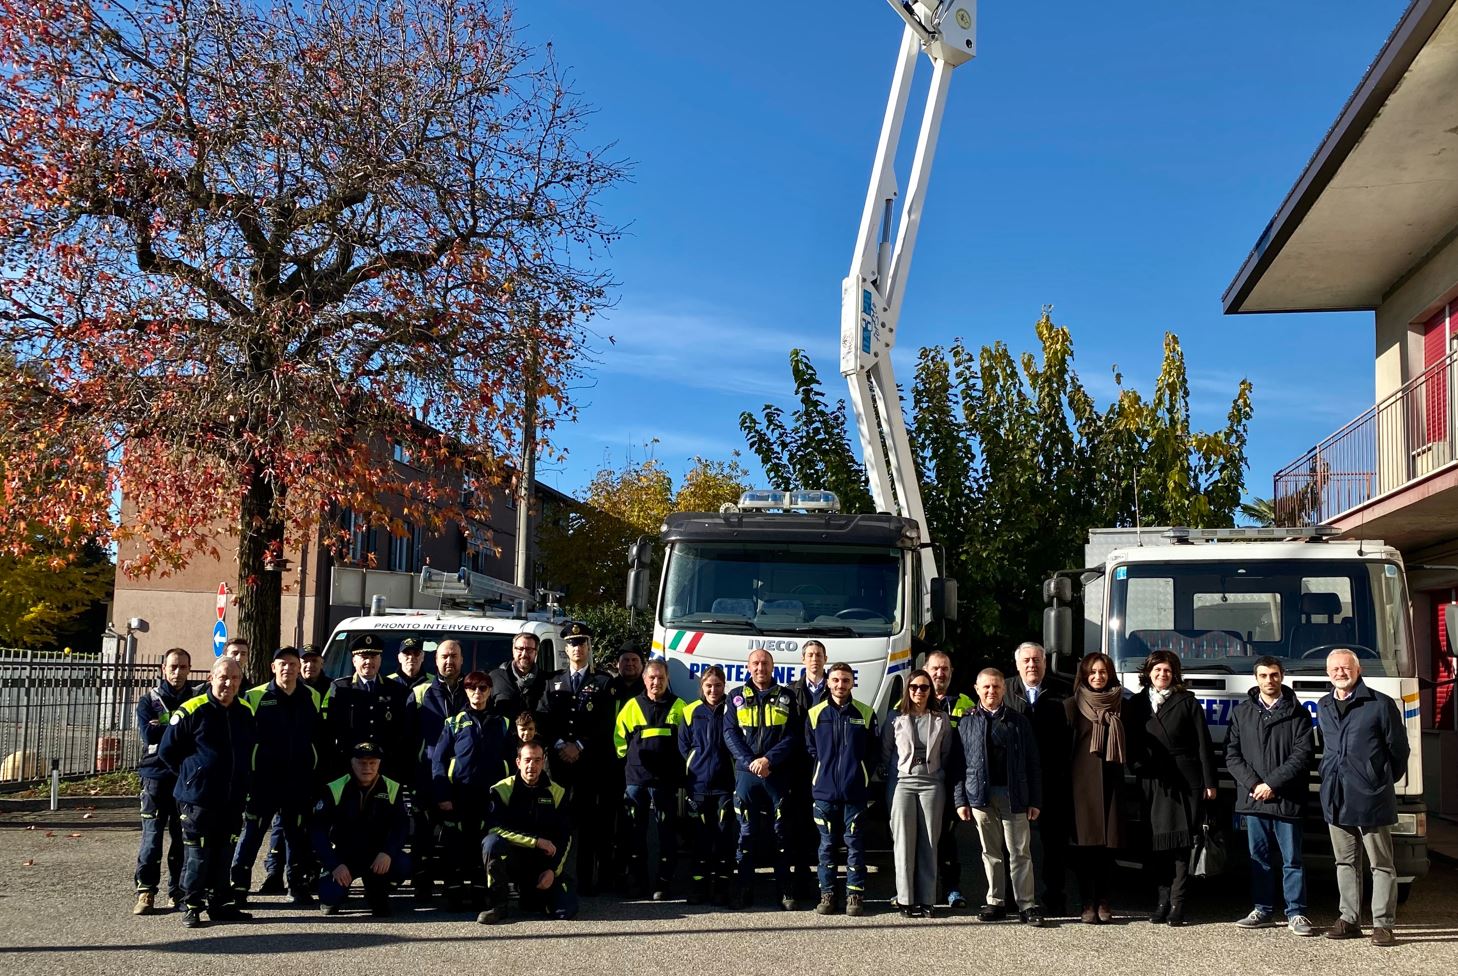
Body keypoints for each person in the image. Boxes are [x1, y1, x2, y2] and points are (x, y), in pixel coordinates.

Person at [1318, 648, 1410, 947]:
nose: (1340, 673)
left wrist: (1378, 778)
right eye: (1335, 669)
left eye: (1346, 668)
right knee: (1344, 862)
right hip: (1336, 794)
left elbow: (1399, 749)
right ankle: (1349, 920)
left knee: (1381, 864)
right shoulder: (1323, 705)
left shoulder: (1380, 704)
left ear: (1358, 671)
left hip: (1372, 796)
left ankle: (1383, 925)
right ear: (1328, 672)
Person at [157, 656, 256, 928]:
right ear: (211, 678)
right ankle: (191, 904)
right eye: (223, 677)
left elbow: (249, 749)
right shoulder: (192, 709)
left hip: (232, 798)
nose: (229, 683)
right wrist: (192, 776)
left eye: (234, 678)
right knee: (198, 854)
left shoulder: (245, 711)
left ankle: (220, 903)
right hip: (198, 799)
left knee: (225, 851)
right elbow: (167, 751)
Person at [1225, 655, 1316, 937]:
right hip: (1254, 799)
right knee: (1259, 857)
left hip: (1287, 798)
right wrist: (1254, 784)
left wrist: (1272, 784)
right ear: (1256, 679)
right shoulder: (1242, 713)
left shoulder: (1299, 713)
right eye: (1263, 675)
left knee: (1292, 860)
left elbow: (1302, 756)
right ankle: (1262, 910)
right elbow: (1232, 754)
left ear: (1282, 676)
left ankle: (1296, 913)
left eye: (1274, 675)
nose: (1269, 680)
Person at [1124, 650, 1217, 927]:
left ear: (1174, 674)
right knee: (1156, 845)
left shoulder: (1187, 701)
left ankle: (1178, 903)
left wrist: (1210, 782)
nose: (1162, 675)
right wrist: (1137, 766)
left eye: (1167, 670)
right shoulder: (1136, 703)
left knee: (1181, 845)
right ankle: (1161, 901)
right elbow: (1130, 742)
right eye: (1157, 670)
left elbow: (1203, 744)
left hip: (1184, 781)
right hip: (1152, 780)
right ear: (1148, 673)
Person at [230, 646, 326, 906]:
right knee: (252, 834)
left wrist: (315, 774)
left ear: (299, 668)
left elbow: (318, 738)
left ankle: (296, 886)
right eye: (282, 664)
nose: (288, 669)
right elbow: (243, 741)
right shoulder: (254, 696)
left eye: (293, 664)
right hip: (263, 781)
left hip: (298, 780)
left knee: (296, 837)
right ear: (273, 668)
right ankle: (238, 887)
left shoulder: (313, 696)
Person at [955, 668, 1045, 926]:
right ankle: (995, 902)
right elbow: (959, 765)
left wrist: (1035, 800)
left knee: (1020, 853)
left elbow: (1033, 763)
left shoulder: (1019, 722)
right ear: (977, 689)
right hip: (980, 796)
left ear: (1004, 689)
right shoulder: (966, 722)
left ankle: (1026, 905)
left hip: (1013, 795)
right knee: (990, 852)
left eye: (996, 686)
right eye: (986, 687)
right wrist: (960, 800)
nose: (991, 691)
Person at [537, 621, 616, 894]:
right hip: (558, 765)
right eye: (572, 643)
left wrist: (579, 745)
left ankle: (584, 880)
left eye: (581, 642)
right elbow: (543, 718)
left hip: (588, 765)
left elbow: (606, 722)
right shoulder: (553, 682)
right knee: (555, 822)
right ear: (566, 649)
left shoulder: (603, 682)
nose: (577, 648)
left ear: (588, 647)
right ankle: (552, 877)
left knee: (588, 825)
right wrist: (560, 744)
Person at [724, 648, 802, 910]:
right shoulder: (736, 696)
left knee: (781, 834)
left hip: (776, 775)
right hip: (747, 776)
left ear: (772, 666)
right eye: (756, 663)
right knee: (746, 833)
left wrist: (768, 760)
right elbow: (729, 734)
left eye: (765, 663)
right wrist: (751, 762)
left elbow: (793, 735)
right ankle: (744, 889)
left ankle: (784, 889)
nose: (760, 668)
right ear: (748, 667)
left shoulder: (787, 696)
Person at [882, 667, 960, 918]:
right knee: (903, 842)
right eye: (914, 687)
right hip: (902, 782)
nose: (919, 691)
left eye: (924, 687)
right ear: (907, 689)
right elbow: (886, 752)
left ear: (930, 691)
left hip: (932, 782)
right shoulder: (895, 717)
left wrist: (936, 773)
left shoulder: (941, 718)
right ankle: (905, 899)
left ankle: (927, 899)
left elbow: (946, 752)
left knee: (929, 841)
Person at [432, 670, 513, 909]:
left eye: (483, 688)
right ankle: (454, 892)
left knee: (483, 841)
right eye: (471, 688)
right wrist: (443, 794)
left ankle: (480, 892)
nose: (477, 692)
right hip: (459, 794)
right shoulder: (454, 722)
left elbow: (512, 761)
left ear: (490, 691)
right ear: (465, 691)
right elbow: (438, 761)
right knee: (456, 844)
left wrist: (506, 793)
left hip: (490, 796)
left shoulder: (502, 723)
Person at [1005, 641, 1073, 915]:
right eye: (1026, 661)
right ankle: (1012, 897)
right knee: (1013, 843)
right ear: (1017, 664)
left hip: (1052, 779)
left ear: (1045, 663)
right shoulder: (1004, 690)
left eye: (1036, 660)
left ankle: (1054, 897)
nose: (1032, 665)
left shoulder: (1063, 691)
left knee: (1054, 844)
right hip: (1016, 780)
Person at [804, 661, 876, 917]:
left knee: (854, 845)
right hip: (824, 793)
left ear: (852, 683)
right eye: (835, 680)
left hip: (855, 793)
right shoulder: (815, 714)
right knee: (826, 846)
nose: (840, 685)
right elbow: (810, 750)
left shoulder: (866, 713)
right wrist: (822, 772)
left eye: (845, 680)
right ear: (828, 682)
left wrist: (859, 773)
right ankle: (828, 893)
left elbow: (873, 751)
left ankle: (854, 894)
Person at [258, 641, 330, 895]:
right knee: (278, 827)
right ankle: (273, 874)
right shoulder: (267, 694)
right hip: (273, 776)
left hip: (306, 774)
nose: (309, 665)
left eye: (313, 661)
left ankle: (302, 877)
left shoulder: (326, 690)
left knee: (301, 828)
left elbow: (321, 737)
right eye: (305, 661)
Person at [477, 740, 576, 923]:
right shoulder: (501, 790)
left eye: (537, 760)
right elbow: (494, 828)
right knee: (491, 843)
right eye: (528, 760)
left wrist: (552, 871)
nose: (532, 765)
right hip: (513, 859)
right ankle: (498, 905)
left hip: (540, 863)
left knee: (565, 910)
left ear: (543, 761)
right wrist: (536, 841)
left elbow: (565, 836)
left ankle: (532, 896)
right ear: (518, 762)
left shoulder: (557, 792)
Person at [313, 741, 411, 917]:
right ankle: (337, 893)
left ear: (379, 764)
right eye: (362, 763)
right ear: (352, 763)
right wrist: (334, 864)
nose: (367, 768)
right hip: (344, 856)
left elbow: (401, 826)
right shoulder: (335, 788)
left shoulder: (392, 787)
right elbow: (318, 831)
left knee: (403, 863)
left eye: (372, 763)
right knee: (330, 896)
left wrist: (388, 852)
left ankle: (377, 890)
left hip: (376, 856)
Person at [614, 658, 686, 900]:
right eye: (652, 678)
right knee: (635, 833)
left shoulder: (679, 706)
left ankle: (663, 883)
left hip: (665, 781)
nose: (656, 682)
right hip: (636, 780)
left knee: (667, 834)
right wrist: (631, 763)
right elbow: (619, 740)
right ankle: (637, 881)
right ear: (644, 680)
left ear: (667, 679)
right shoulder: (632, 706)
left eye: (661, 677)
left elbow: (687, 742)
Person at [1065, 651, 1126, 925]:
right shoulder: (1071, 705)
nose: (1098, 676)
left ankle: (1104, 900)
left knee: (1108, 847)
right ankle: (1087, 902)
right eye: (1092, 672)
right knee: (1084, 848)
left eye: (1102, 672)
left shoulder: (1122, 704)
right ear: (1084, 675)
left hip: (1112, 783)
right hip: (1081, 787)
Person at [133, 647, 195, 915]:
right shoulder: (149, 700)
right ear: (163, 669)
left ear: (189, 669)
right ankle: (146, 890)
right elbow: (149, 735)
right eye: (173, 666)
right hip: (155, 776)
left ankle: (177, 891)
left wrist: (164, 727)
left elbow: (196, 733)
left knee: (182, 838)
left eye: (183, 667)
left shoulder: (196, 698)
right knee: (152, 837)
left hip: (183, 776)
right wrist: (178, 729)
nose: (177, 672)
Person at [410, 638, 467, 903]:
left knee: (455, 835)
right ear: (436, 660)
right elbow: (407, 739)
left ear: (462, 659)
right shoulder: (420, 693)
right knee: (423, 837)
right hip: (428, 777)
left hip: (461, 780)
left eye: (454, 656)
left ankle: (453, 886)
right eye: (444, 656)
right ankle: (422, 886)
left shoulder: (472, 690)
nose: (449, 661)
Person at [680, 665, 736, 905]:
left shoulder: (732, 709)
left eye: (718, 685)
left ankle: (722, 886)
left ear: (724, 686)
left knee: (723, 837)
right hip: (698, 786)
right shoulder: (690, 711)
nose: (713, 690)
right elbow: (683, 746)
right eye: (709, 686)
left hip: (725, 785)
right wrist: (696, 765)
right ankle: (698, 886)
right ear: (702, 687)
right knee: (699, 838)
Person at [924, 650, 974, 908]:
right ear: (925, 670)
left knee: (947, 837)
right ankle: (922, 888)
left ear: (952, 672)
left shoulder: (965, 703)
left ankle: (952, 888)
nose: (939, 673)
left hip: (951, 781)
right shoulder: (911, 699)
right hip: (922, 782)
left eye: (944, 669)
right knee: (921, 836)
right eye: (935, 668)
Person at [328, 634, 409, 779]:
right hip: (350, 763)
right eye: (364, 657)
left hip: (385, 764)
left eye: (373, 657)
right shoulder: (341, 688)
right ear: (354, 660)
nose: (369, 662)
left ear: (380, 660)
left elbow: (401, 729)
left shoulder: (395, 689)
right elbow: (333, 728)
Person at [787, 640, 829, 901]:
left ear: (825, 659)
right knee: (799, 822)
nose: (814, 659)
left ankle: (825, 880)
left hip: (826, 766)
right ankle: (801, 875)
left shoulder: (835, 688)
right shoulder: (791, 692)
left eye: (818, 655)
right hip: (799, 766)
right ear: (803, 660)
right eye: (810, 655)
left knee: (824, 825)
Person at [489, 631, 546, 723]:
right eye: (520, 649)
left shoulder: (547, 680)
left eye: (529, 649)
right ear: (513, 650)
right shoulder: (495, 677)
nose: (524, 654)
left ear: (536, 652)